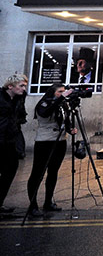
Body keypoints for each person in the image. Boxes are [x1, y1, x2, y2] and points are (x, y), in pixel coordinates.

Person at [26, 83, 76, 217]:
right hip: (44, 142)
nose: (62, 94)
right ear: (52, 92)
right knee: (38, 173)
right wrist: (60, 99)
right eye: (59, 92)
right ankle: (32, 205)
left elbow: (66, 119)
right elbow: (45, 113)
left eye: (64, 91)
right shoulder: (43, 103)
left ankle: (48, 202)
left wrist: (70, 129)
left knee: (53, 171)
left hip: (60, 141)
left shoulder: (63, 105)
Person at [0, 73, 28, 213]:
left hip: (10, 140)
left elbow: (20, 117)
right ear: (10, 86)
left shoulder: (18, 99)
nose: (24, 89)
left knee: (11, 169)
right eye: (21, 86)